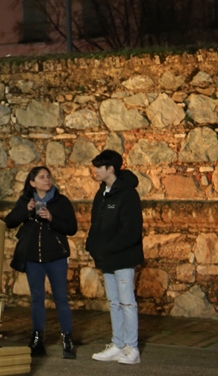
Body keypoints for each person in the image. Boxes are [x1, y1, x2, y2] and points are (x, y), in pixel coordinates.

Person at [5, 166, 78, 359]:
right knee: (37, 298)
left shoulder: (61, 202)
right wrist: (25, 211)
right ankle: (37, 340)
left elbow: (72, 228)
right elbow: (9, 221)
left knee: (61, 297)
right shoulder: (25, 201)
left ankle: (67, 340)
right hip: (33, 258)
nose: (47, 180)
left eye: (49, 177)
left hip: (56, 257)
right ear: (32, 183)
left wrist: (52, 218)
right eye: (42, 177)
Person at [86, 149, 144, 365]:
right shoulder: (101, 193)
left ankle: (132, 347)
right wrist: (92, 246)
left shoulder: (128, 194)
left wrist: (109, 247)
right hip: (107, 258)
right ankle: (118, 344)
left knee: (127, 302)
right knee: (114, 302)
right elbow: (96, 224)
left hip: (123, 258)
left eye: (98, 167)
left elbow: (131, 230)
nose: (95, 171)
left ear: (110, 169)